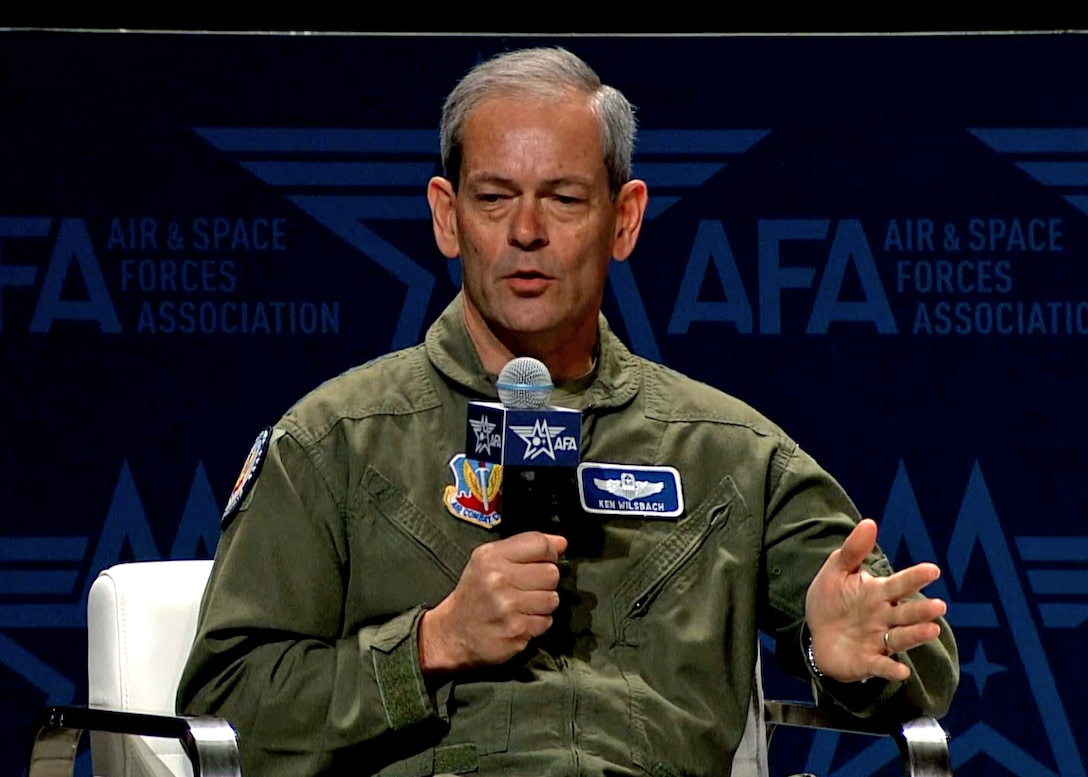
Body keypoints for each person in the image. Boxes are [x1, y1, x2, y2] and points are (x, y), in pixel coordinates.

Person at [177, 46, 959, 777]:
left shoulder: (729, 453)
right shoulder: (333, 442)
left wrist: (841, 653)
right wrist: (429, 643)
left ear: (624, 218)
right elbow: (228, 705)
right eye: (494, 198)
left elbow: (923, 666)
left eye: (563, 199)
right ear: (447, 215)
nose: (526, 232)